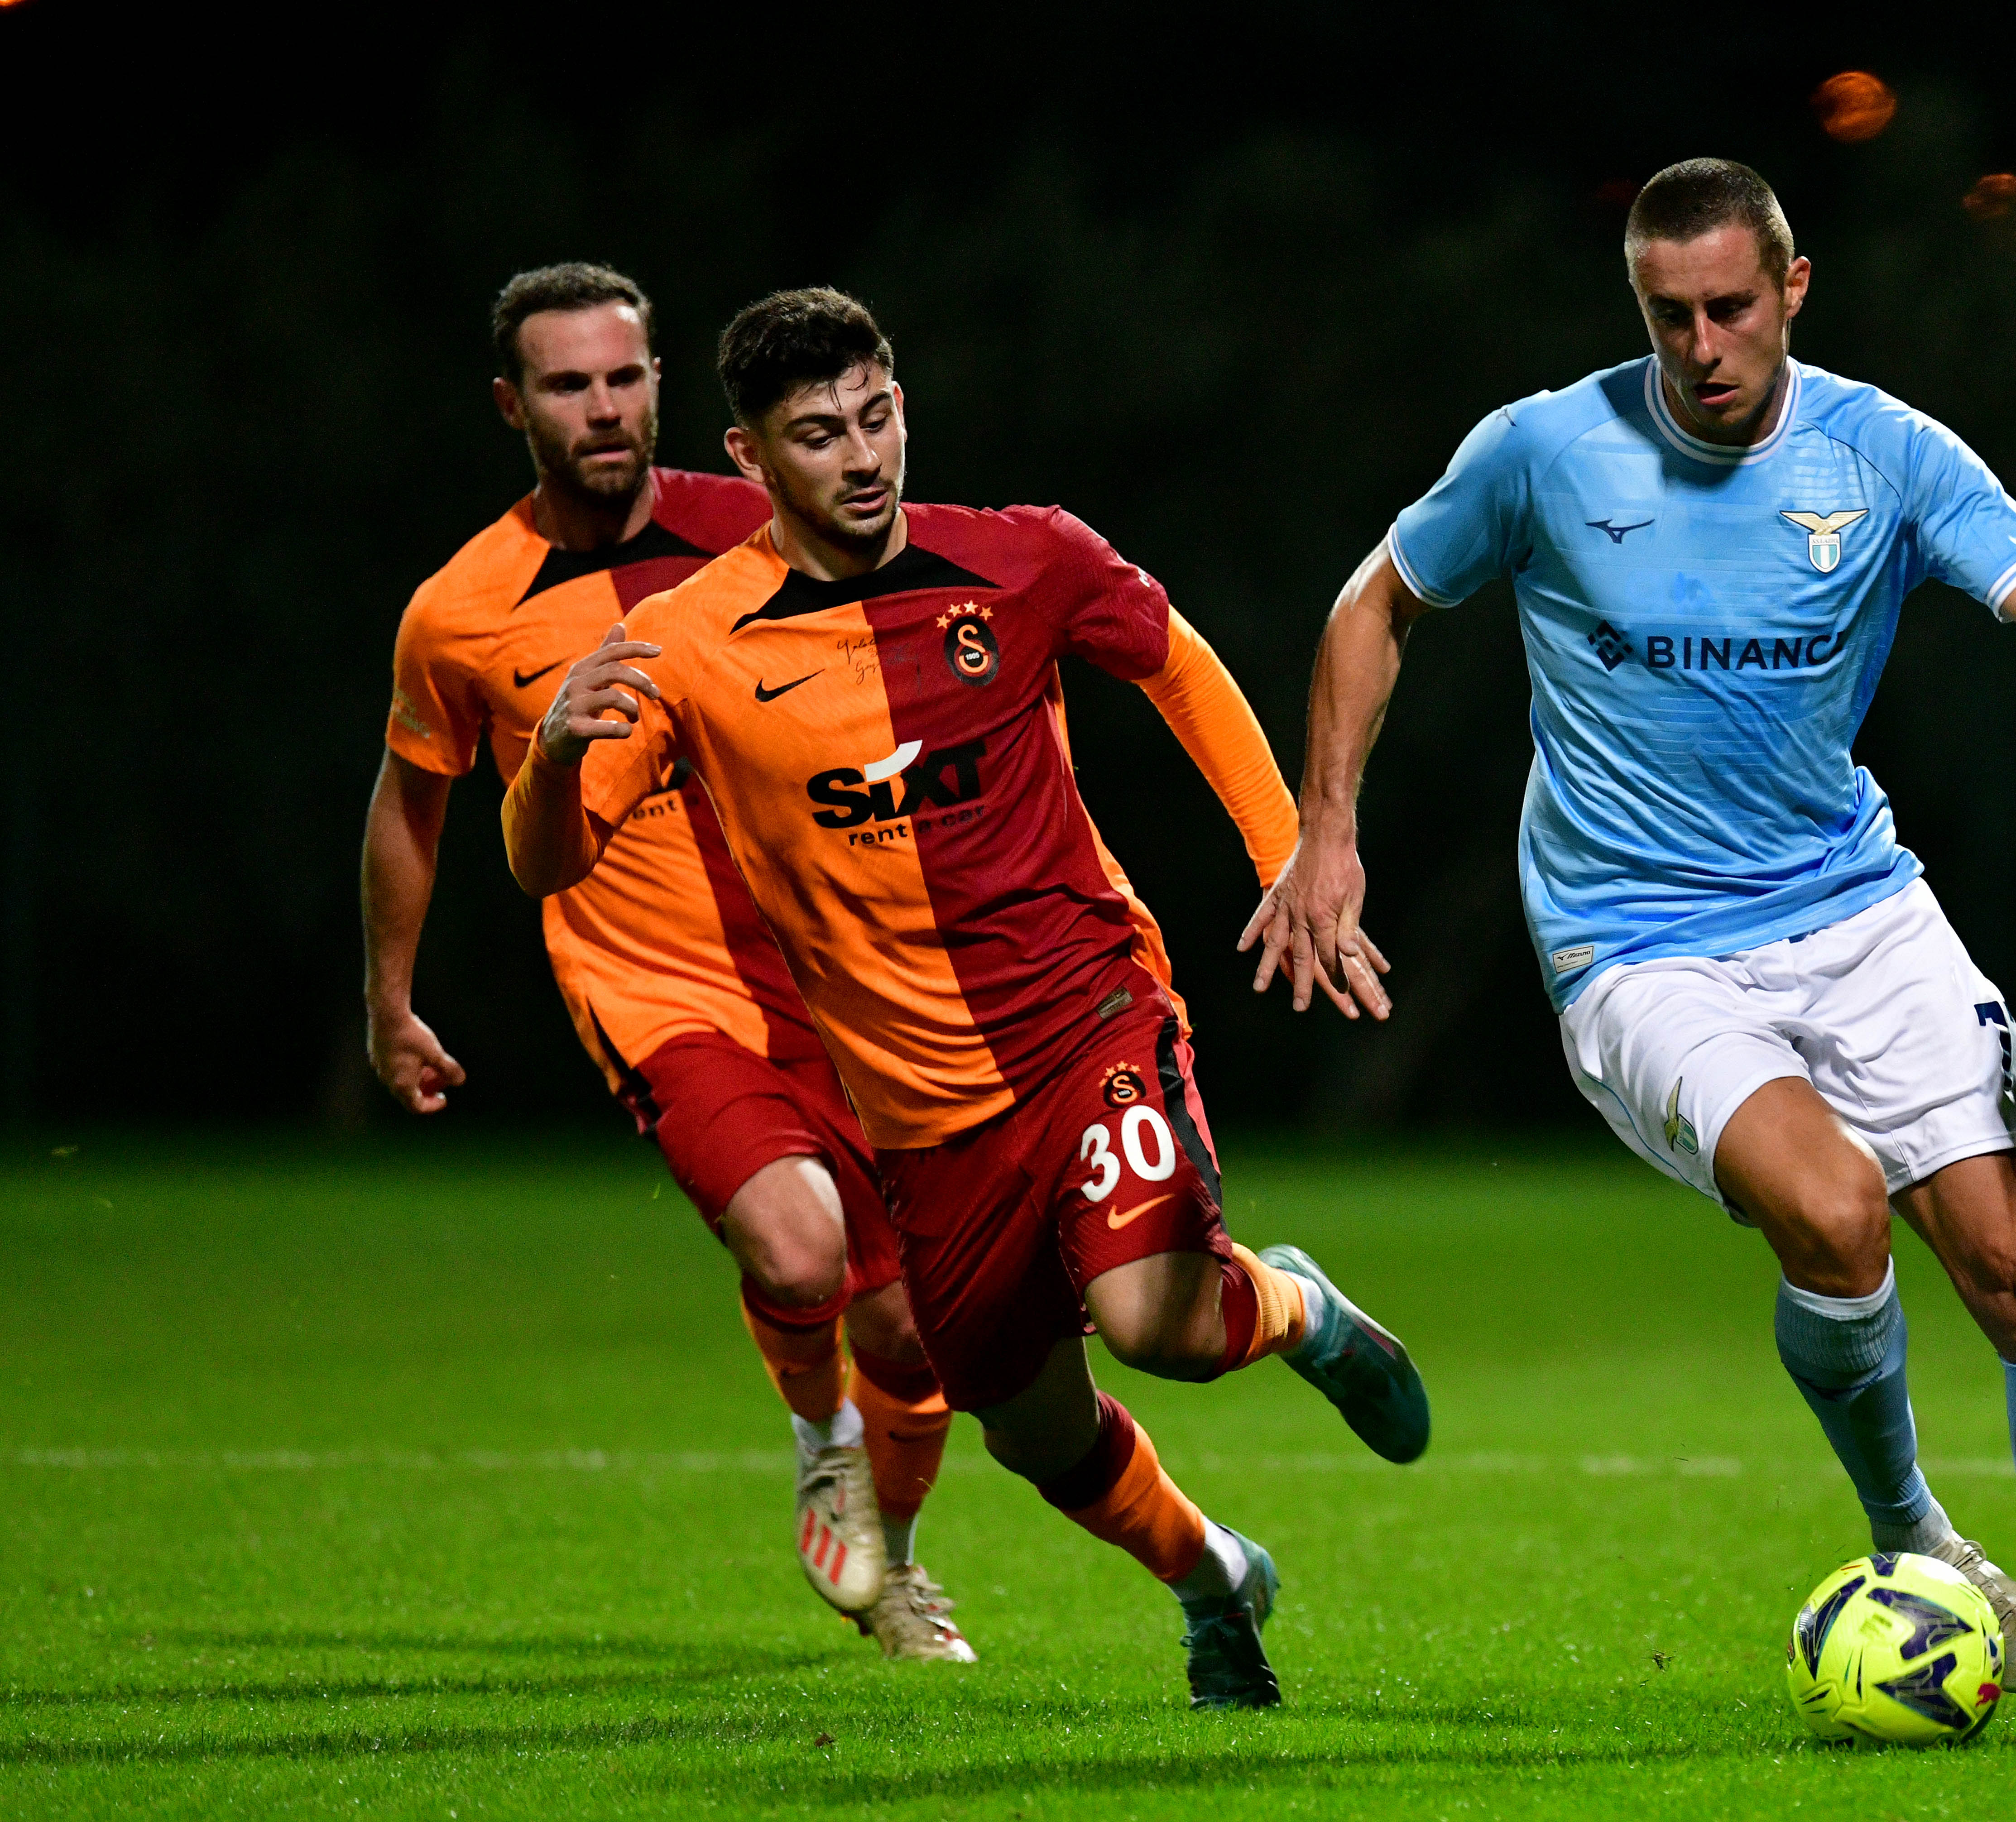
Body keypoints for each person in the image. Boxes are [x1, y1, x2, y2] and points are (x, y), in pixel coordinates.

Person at [1251, 158, 2016, 1740]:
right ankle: (1913, 1526)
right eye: (1666, 314)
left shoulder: (1884, 452)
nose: (1699, 345)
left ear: (1792, 292)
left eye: (1728, 309)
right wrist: (1328, 831)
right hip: (1636, 943)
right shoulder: (1543, 451)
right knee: (1836, 1213)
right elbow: (1377, 604)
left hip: (1853, 906)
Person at [501, 287, 1428, 1711]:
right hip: (923, 1123)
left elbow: (1174, 664)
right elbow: (550, 862)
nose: (864, 457)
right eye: (820, 435)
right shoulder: (689, 647)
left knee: (1157, 1327)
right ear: (750, 460)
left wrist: (1291, 858)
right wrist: (554, 760)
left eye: (880, 417)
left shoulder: (1022, 561)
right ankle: (1215, 1580)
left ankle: (1295, 1311)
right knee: (1036, 1434)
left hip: (1087, 1020)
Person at [363, 263, 969, 1662]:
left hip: (839, 973)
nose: (606, 409)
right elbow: (410, 802)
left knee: (913, 1341)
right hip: (655, 987)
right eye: (569, 387)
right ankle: (821, 1442)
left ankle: (893, 1568)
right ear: (514, 406)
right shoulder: (462, 611)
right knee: (797, 1243)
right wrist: (392, 1005)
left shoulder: (756, 531)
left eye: (625, 377)